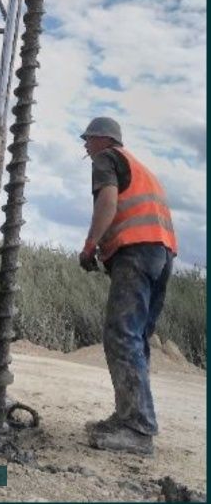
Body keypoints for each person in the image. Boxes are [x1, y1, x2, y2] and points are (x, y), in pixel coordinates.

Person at [78, 117, 177, 457]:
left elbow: (107, 202)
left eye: (87, 140)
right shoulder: (142, 167)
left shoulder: (107, 159)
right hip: (162, 254)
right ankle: (129, 417)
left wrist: (90, 245)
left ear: (102, 139)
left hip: (137, 251)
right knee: (136, 339)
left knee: (121, 334)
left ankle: (137, 429)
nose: (85, 147)